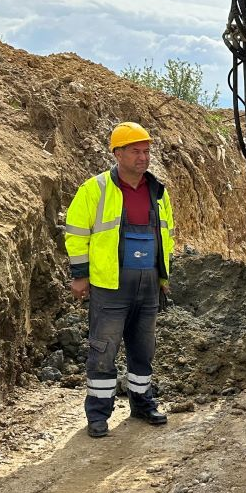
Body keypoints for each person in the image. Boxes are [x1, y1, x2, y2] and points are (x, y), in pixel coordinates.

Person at [64, 122, 173, 438]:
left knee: (143, 349)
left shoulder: (158, 191)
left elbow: (167, 235)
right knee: (103, 350)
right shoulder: (94, 189)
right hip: (110, 284)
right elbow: (76, 234)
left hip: (148, 282)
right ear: (118, 153)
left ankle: (142, 403)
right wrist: (80, 276)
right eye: (136, 151)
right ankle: (98, 415)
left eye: (146, 151)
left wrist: (163, 276)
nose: (143, 157)